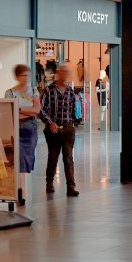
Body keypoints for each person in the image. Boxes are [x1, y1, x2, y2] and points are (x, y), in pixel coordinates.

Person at [40, 64, 80, 197]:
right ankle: (49, 182)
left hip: (67, 129)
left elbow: (74, 109)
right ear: (58, 73)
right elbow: (41, 109)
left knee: (68, 158)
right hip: (53, 129)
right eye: (64, 72)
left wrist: (73, 124)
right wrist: (49, 122)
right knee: (53, 157)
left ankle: (71, 186)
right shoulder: (48, 90)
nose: (66, 74)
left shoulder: (70, 91)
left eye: (67, 72)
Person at [9, 64, 40, 206]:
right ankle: (21, 190)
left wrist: (20, 109)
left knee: (27, 159)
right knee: (19, 159)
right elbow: (10, 111)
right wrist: (29, 110)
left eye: (28, 75)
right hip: (16, 128)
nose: (26, 78)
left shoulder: (34, 91)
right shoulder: (10, 93)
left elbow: (37, 110)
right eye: (23, 75)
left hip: (30, 128)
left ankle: (20, 189)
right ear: (17, 77)